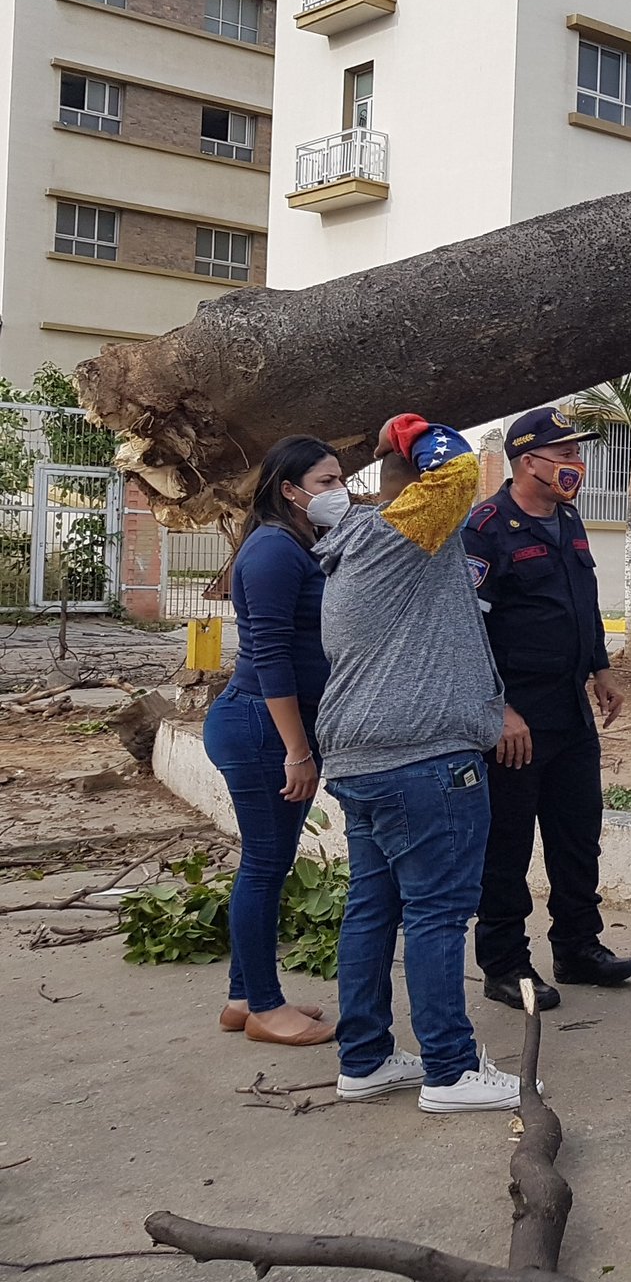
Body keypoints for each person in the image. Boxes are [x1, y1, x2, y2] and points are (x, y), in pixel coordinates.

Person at [315, 414, 522, 1113]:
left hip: (362, 758)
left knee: (371, 911)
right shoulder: (399, 537)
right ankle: (450, 1070)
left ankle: (365, 1058)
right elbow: (460, 471)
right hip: (421, 758)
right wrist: (407, 433)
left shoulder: (349, 545)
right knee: (437, 913)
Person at [462, 407, 631, 1011]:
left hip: (570, 710)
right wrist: (499, 708)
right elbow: (467, 631)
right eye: (564, 455)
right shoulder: (484, 528)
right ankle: (506, 964)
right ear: (527, 461)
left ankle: (578, 947)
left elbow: (582, 605)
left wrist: (602, 669)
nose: (576, 465)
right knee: (507, 845)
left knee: (576, 833)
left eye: (577, 455)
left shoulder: (569, 520)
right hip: (516, 718)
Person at [203, 435, 347, 1047]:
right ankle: (263, 1006)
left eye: (342, 480)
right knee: (264, 866)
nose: (339, 493)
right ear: (289, 491)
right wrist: (297, 749)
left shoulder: (300, 545)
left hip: (272, 725)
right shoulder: (269, 552)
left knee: (268, 862)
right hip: (262, 725)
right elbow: (271, 659)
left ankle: (242, 997)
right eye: (325, 483)